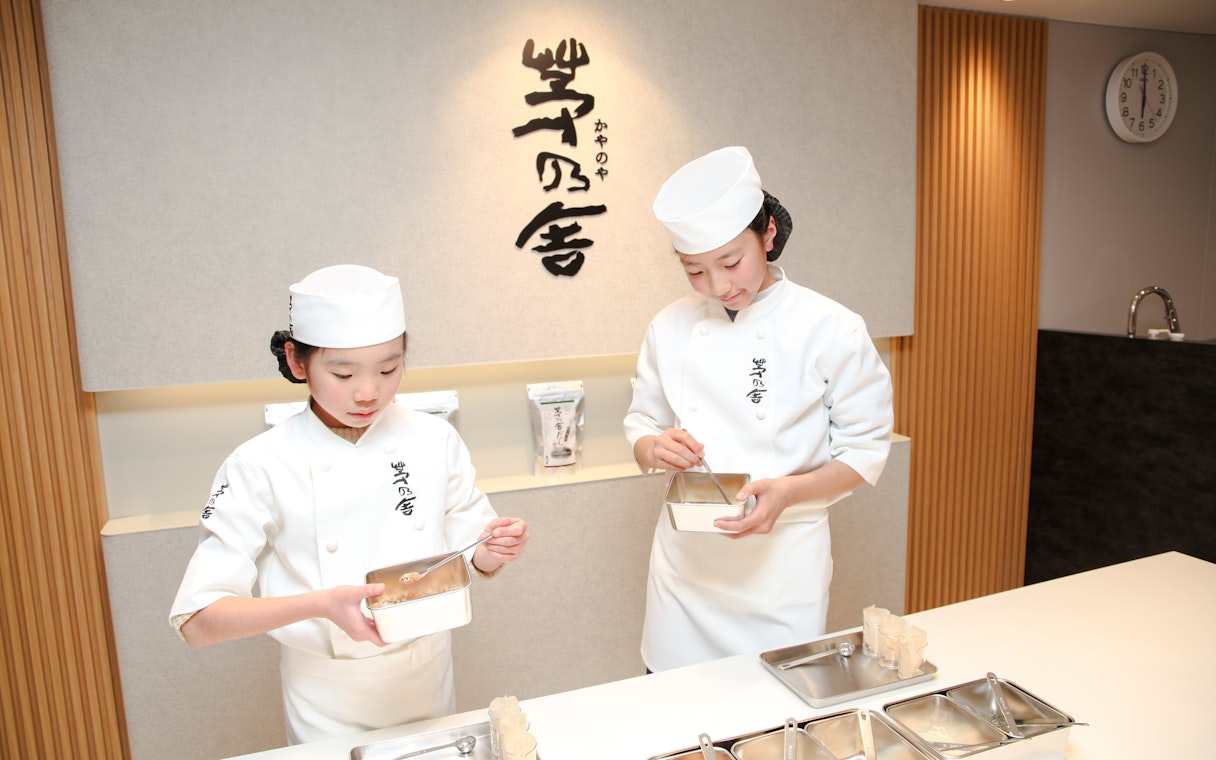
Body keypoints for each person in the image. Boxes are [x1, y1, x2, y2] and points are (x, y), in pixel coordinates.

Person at [169, 264, 530, 744]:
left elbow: (471, 552)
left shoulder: (434, 438)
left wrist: (496, 548)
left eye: (388, 369)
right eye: (343, 372)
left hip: (427, 676)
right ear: (298, 363)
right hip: (325, 696)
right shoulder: (259, 463)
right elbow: (198, 622)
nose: (368, 392)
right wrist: (321, 604)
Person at [624, 146, 894, 672]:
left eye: (731, 263)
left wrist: (789, 491)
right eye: (695, 271)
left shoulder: (832, 328)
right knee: (676, 725)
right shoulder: (669, 326)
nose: (720, 286)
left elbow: (864, 450)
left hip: (783, 573)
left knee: (773, 723)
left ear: (768, 234)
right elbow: (641, 422)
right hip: (686, 573)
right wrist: (654, 447)